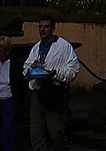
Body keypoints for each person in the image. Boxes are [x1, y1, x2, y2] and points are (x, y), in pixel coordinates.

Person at [24, 16, 79, 151]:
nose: (43, 30)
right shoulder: (37, 47)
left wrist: (55, 73)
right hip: (37, 91)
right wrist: (32, 67)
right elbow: (25, 68)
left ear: (53, 28)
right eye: (40, 27)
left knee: (56, 133)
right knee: (36, 134)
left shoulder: (64, 46)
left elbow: (73, 69)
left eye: (46, 27)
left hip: (54, 92)